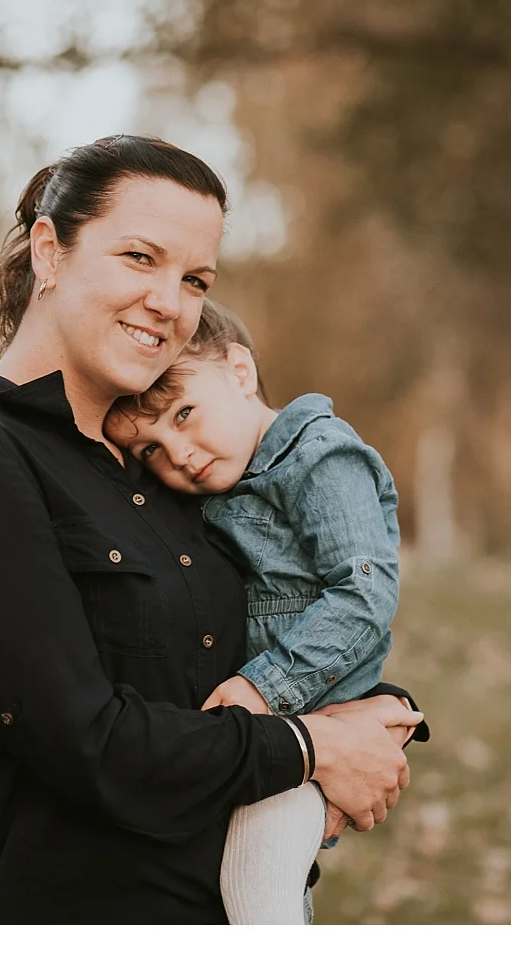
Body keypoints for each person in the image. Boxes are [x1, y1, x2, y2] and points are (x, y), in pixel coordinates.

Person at [0, 136, 421, 923]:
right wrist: (315, 747)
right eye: (141, 258)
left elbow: (287, 609)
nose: (171, 303)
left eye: (195, 278)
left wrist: (379, 711)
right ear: (49, 251)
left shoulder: (171, 469)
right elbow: (85, 744)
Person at [105, 298, 414, 924]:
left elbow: (364, 595)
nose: (179, 455)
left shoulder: (319, 458)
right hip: (256, 738)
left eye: (184, 414)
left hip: (298, 728)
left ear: (240, 372)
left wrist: (261, 688)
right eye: (150, 451)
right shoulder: (221, 487)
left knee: (259, 901)